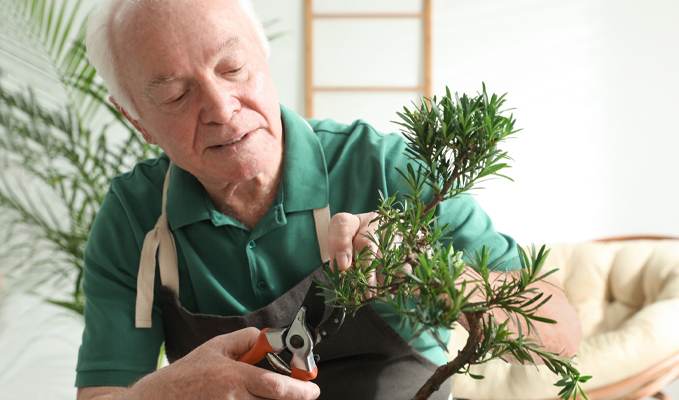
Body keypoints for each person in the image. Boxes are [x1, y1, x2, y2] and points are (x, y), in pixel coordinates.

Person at [75, 0, 581, 399]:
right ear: (137, 120)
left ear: (264, 55)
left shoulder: (384, 168)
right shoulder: (134, 219)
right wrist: (163, 396)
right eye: (176, 96)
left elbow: (562, 332)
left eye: (233, 68)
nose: (222, 110)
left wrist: (428, 270)